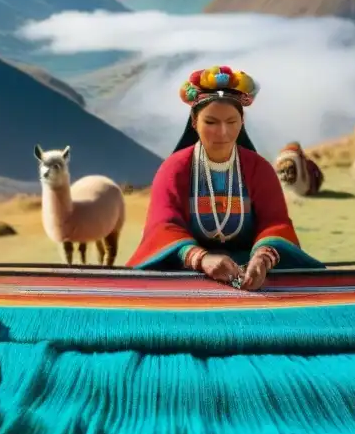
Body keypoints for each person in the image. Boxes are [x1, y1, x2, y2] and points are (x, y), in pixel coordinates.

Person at [125, 66, 325, 289]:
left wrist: (262, 259)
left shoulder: (259, 169)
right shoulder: (174, 169)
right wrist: (200, 259)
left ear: (242, 122)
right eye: (210, 122)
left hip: (250, 273)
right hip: (186, 274)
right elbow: (163, 225)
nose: (222, 133)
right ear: (194, 122)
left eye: (231, 122)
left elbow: (275, 222)